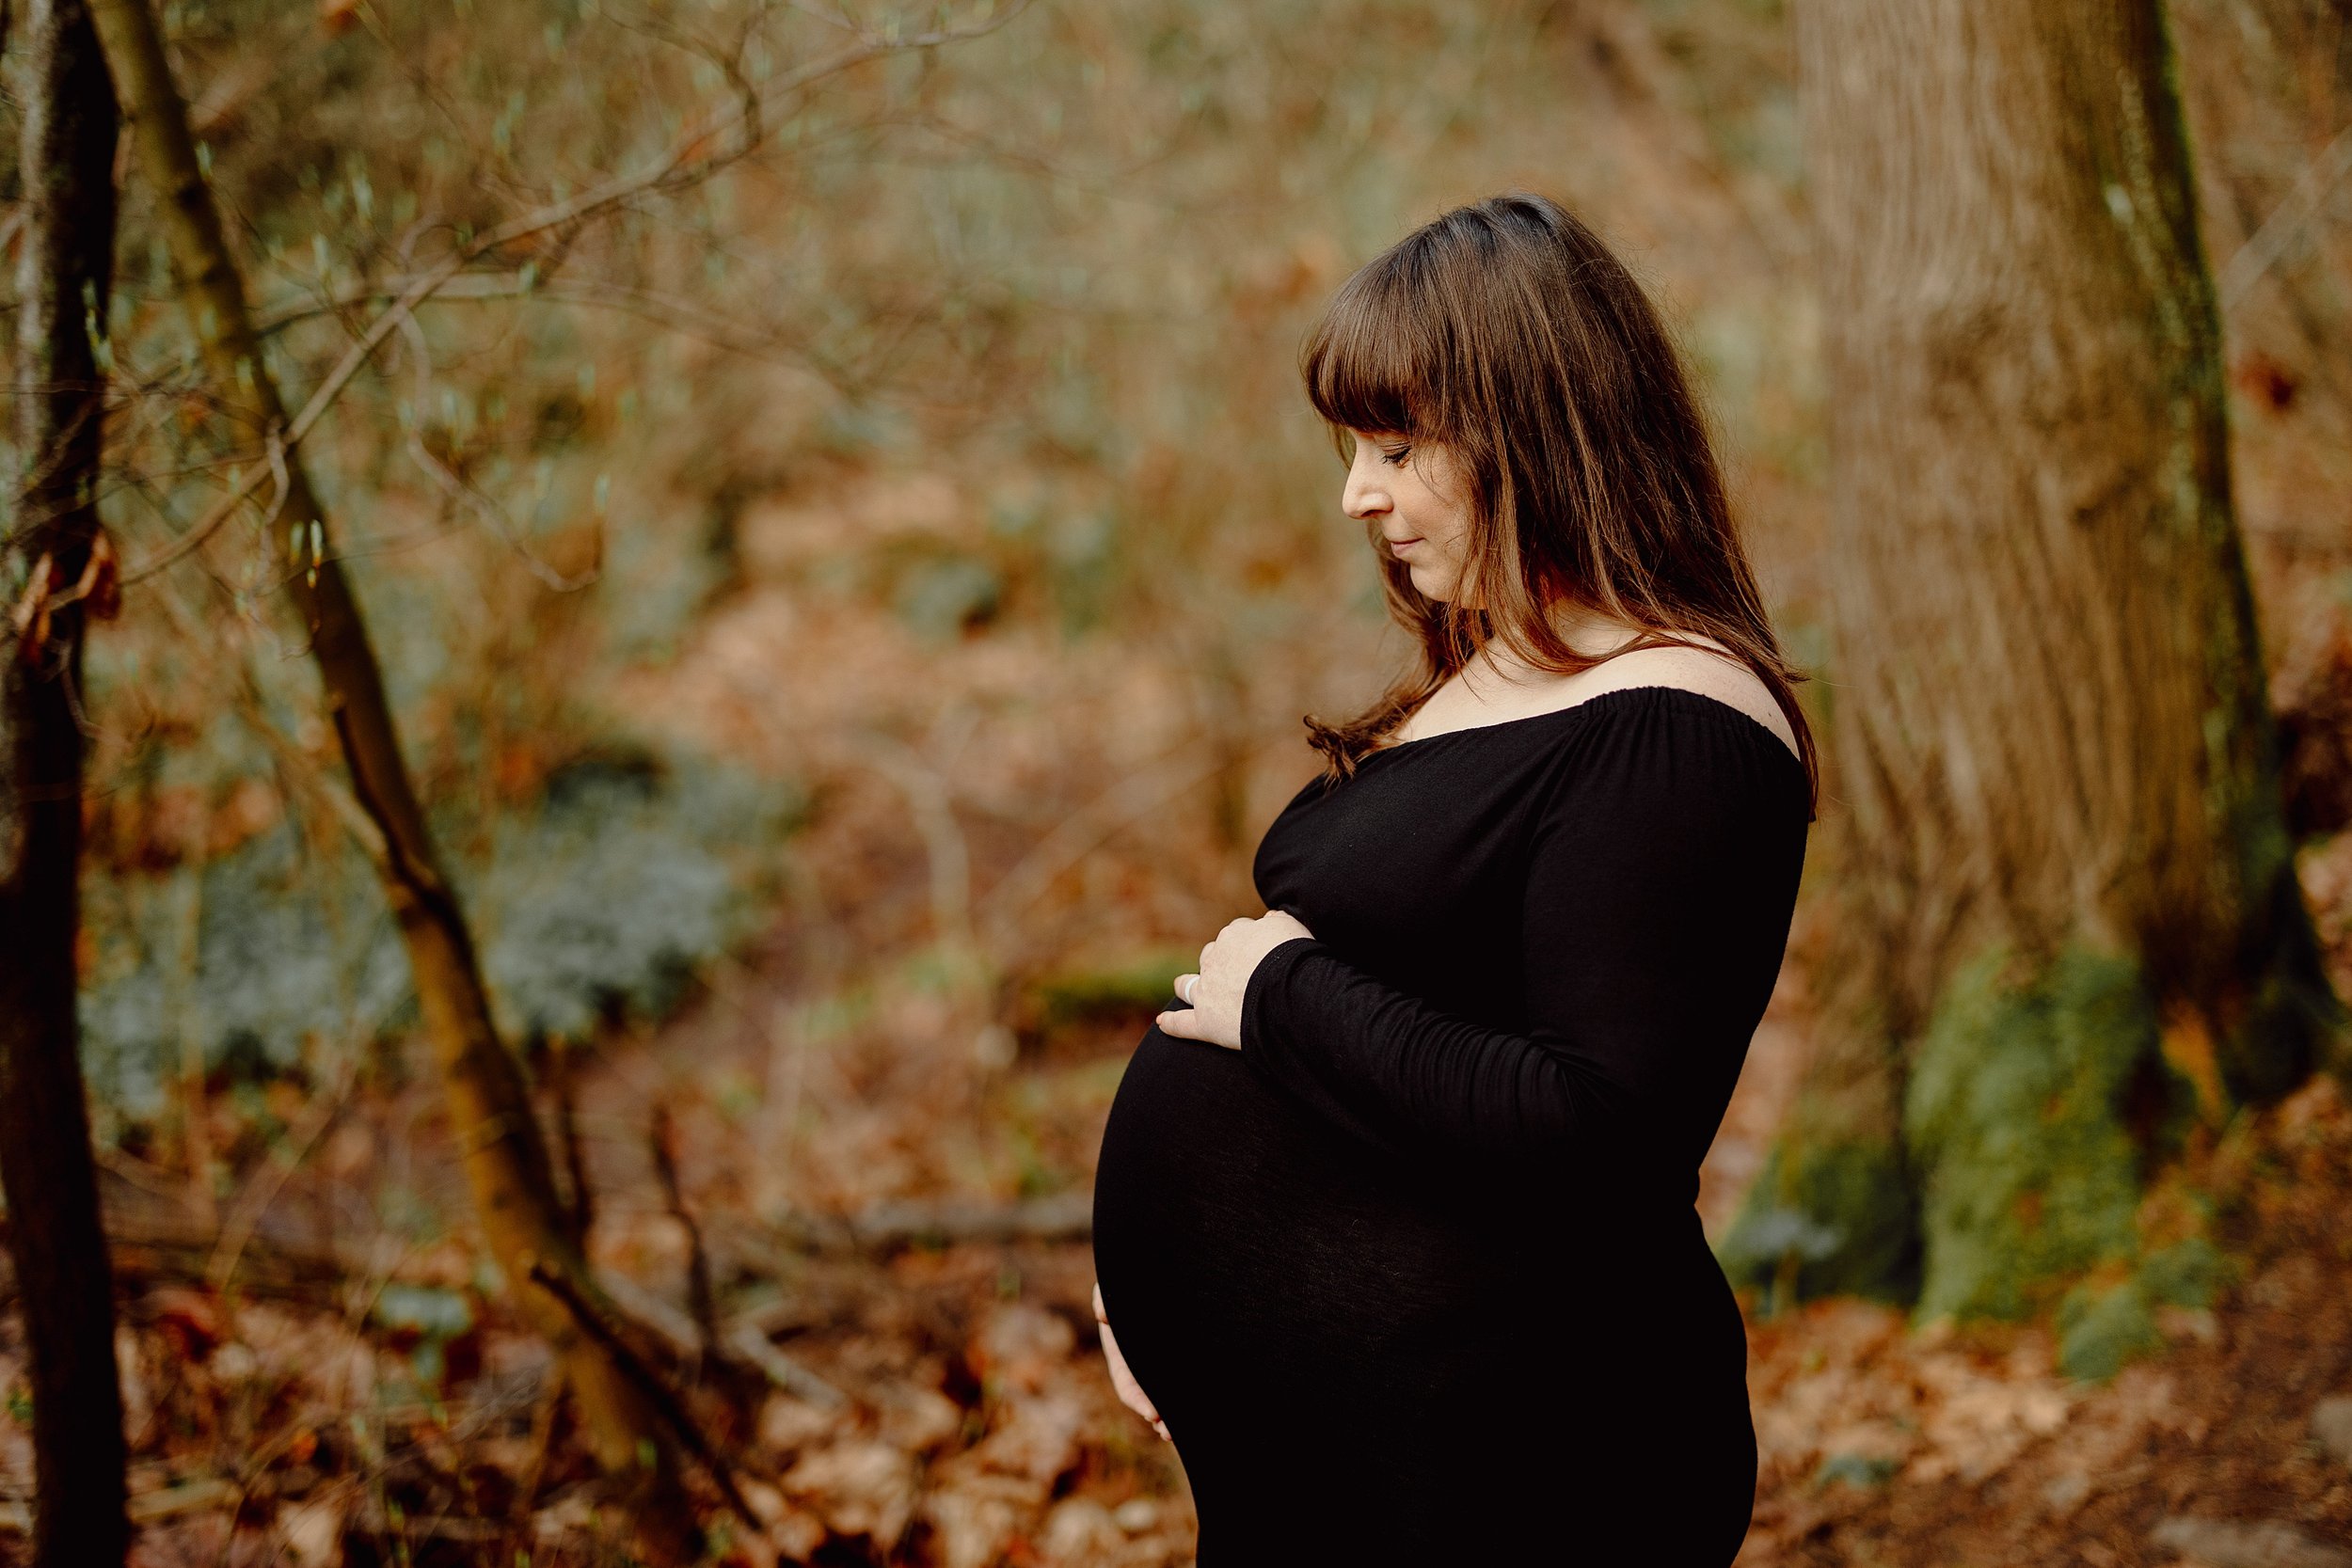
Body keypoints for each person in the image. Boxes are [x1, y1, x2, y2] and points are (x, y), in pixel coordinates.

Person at [1088, 193, 1817, 1565]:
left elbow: (1599, 1129)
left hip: (1521, 1463)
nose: (1357, 494)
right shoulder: (1498, 673)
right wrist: (1159, 1287)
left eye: (1397, 446)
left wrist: (1281, 997)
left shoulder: (1680, 726)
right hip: (1348, 1458)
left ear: (1538, 426)